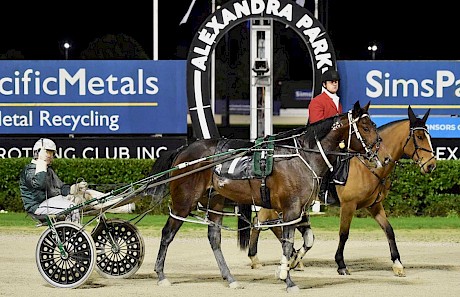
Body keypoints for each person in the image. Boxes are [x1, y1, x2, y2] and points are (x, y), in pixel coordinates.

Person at [20, 138, 134, 223]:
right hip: (38, 206)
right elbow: (39, 184)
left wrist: (75, 188)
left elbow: (61, 188)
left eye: (52, 153)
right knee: (72, 208)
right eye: (47, 152)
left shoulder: (48, 170)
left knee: (88, 194)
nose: (50, 155)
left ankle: (121, 204)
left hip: (53, 201)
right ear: (37, 152)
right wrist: (41, 165)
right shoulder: (30, 169)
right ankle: (75, 237)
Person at [308, 68, 343, 205]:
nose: (335, 84)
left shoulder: (337, 102)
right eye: (332, 82)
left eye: (336, 82)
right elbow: (317, 125)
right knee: (330, 161)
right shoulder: (317, 101)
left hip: (335, 142)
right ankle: (322, 191)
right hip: (320, 142)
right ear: (324, 84)